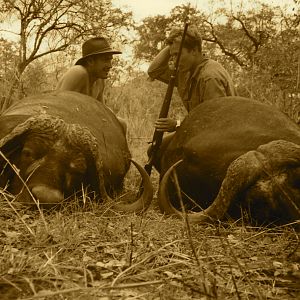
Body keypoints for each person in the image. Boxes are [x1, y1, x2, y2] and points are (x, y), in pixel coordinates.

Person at [147, 26, 238, 133]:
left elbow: (215, 120)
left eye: (178, 55)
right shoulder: (185, 72)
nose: (175, 61)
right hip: (201, 132)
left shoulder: (209, 77)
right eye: (173, 56)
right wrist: (173, 43)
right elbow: (154, 70)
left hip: (223, 134)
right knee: (158, 148)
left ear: (194, 50)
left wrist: (177, 125)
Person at [56, 37, 127, 133]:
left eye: (110, 60)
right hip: (64, 125)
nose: (110, 66)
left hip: (84, 124)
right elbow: (59, 107)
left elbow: (101, 109)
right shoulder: (78, 72)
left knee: (121, 124)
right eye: (105, 60)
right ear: (90, 61)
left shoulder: (100, 81)